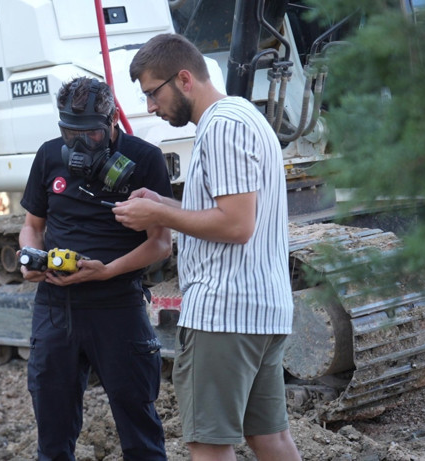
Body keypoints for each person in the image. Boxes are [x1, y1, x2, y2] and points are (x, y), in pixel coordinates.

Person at [112, 33, 302, 461]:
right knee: (269, 438)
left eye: (153, 93)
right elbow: (227, 212)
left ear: (184, 79)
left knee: (208, 446)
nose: (150, 107)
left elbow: (236, 225)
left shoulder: (221, 128)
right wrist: (163, 203)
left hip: (223, 312)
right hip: (261, 308)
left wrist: (158, 216)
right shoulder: (244, 116)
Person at [18, 76, 173, 460]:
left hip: (118, 307)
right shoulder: (48, 155)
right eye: (70, 134)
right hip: (56, 310)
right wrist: (29, 257)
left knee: (141, 434)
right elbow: (32, 225)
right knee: (52, 439)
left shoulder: (145, 159)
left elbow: (161, 243)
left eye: (91, 135)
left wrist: (108, 270)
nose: (79, 145)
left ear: (113, 120)